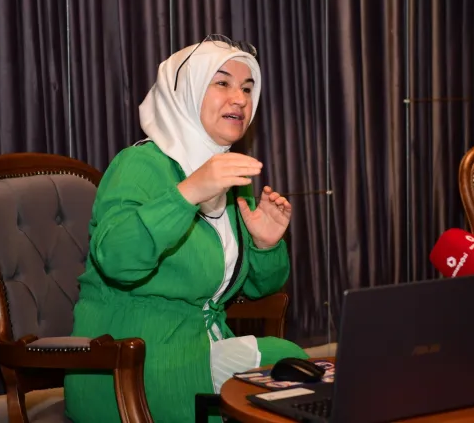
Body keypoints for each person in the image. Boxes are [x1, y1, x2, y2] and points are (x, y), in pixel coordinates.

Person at [64, 35, 308, 423]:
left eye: (248, 88)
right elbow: (116, 260)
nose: (240, 99)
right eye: (222, 83)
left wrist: (264, 246)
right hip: (134, 362)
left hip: (202, 346)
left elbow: (256, 289)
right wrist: (189, 193)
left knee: (299, 370)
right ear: (186, 93)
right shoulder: (139, 164)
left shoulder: (229, 175)